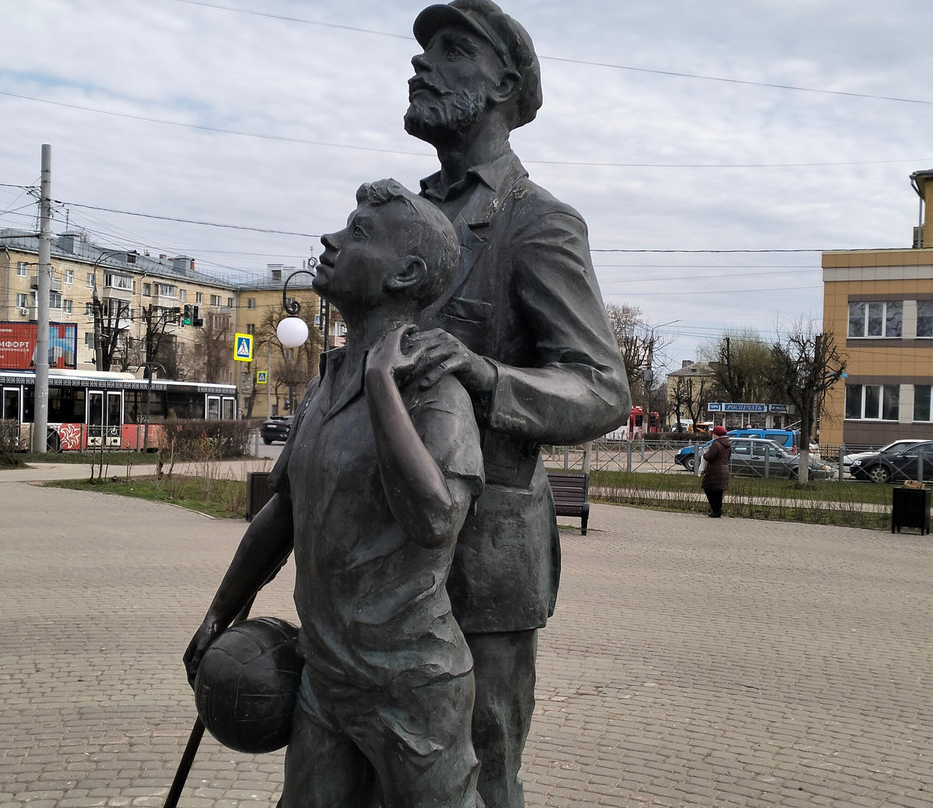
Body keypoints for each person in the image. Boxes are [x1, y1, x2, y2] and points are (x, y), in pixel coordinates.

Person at [185, 179, 486, 808]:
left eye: (358, 233)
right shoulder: (324, 388)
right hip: (325, 676)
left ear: (406, 273)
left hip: (413, 686)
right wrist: (221, 610)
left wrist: (382, 385)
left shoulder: (436, 394)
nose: (331, 239)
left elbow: (436, 520)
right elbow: (285, 513)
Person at [402, 2, 631, 806]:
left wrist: (488, 377)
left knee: (482, 763)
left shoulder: (538, 224)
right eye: (422, 48)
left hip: (484, 561)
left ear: (503, 85)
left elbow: (601, 386)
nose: (422, 63)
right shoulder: (405, 221)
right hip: (381, 553)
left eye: (450, 49)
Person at [700, 425, 732, 517]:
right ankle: (718, 510)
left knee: (709, 489)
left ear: (716, 434)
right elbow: (728, 456)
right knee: (718, 491)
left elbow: (709, 457)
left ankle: (715, 510)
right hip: (724, 469)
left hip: (714, 470)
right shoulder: (728, 444)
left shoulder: (716, 444)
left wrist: (705, 454)